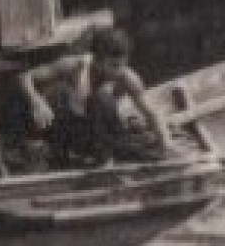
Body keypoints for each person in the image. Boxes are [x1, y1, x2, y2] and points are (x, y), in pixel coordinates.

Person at [16, 27, 181, 167]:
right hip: (69, 127)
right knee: (78, 96)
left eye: (123, 64)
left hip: (97, 132)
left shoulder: (128, 77)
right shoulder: (74, 66)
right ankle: (89, 157)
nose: (119, 71)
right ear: (96, 59)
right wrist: (36, 101)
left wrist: (167, 144)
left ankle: (106, 157)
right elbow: (24, 76)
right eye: (113, 65)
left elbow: (151, 113)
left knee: (128, 139)